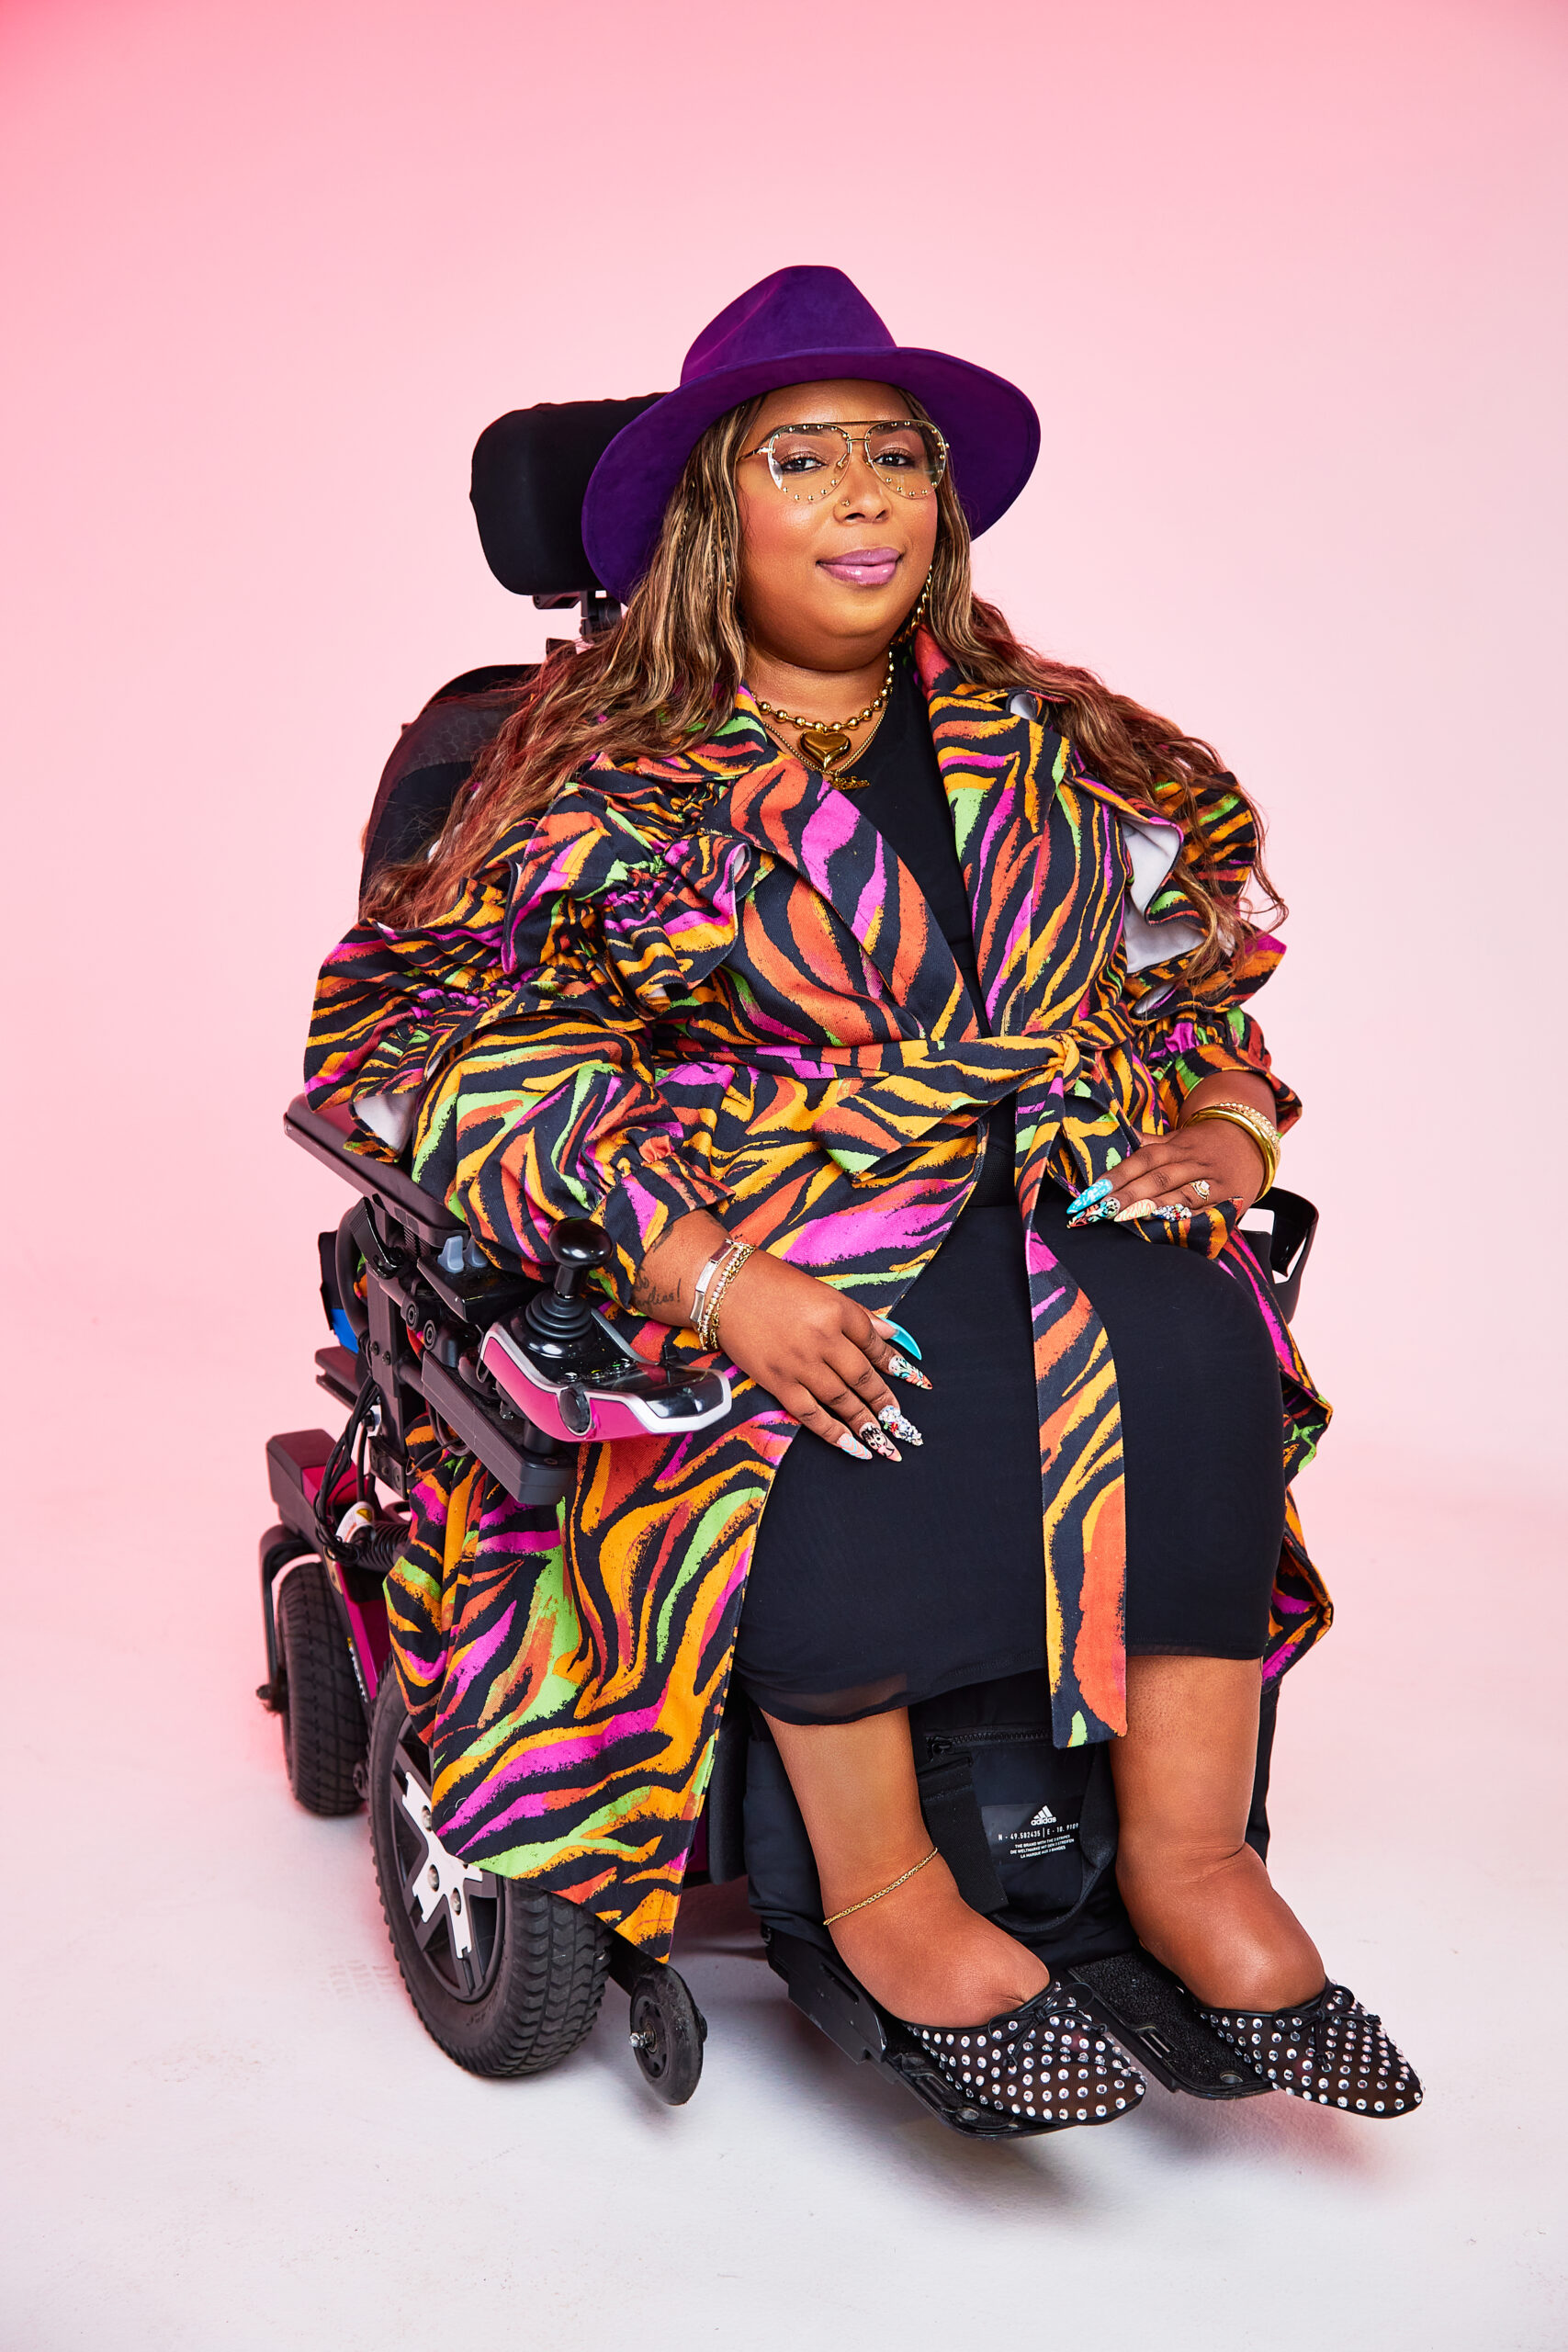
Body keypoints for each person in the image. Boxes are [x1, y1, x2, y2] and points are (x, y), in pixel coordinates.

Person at [306, 266, 1419, 2128]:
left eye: (892, 457)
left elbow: (1193, 980)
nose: (863, 496)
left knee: (1188, 1327)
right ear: (704, 513)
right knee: (845, 1371)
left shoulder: (1058, 743)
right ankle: (882, 1886)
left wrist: (1223, 1132)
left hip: (1041, 1170)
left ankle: (1185, 1856)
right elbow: (434, 1042)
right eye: (800, 457)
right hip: (740, 1207)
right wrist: (702, 1265)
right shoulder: (595, 772)